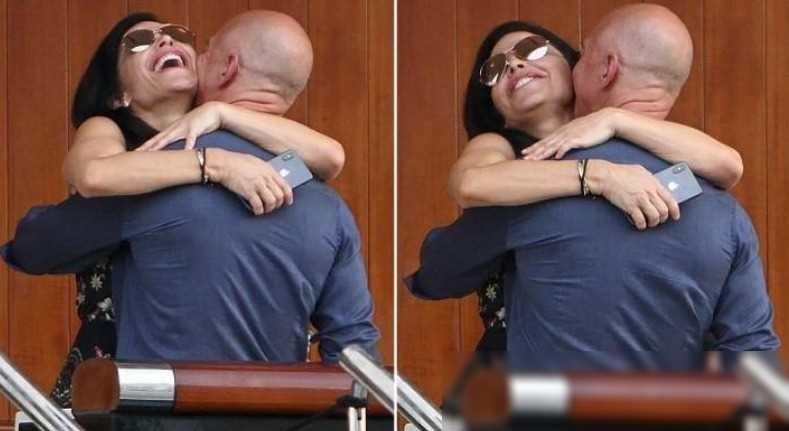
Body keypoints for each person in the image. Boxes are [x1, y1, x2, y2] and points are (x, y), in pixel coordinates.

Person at [4, 11, 350, 406]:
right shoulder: (109, 129)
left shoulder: (224, 130)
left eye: (176, 34)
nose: (165, 40)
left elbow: (331, 156)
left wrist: (221, 113)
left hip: (196, 388)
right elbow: (94, 175)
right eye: (138, 42)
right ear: (119, 94)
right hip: (115, 381)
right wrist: (213, 163)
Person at [407, 4, 778, 369]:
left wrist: (613, 120)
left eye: (530, 49)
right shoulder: (505, 161)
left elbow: (729, 163)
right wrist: (597, 175)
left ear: (582, 69)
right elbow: (469, 185)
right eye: (495, 69)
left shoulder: (671, 164)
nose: (514, 65)